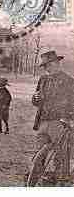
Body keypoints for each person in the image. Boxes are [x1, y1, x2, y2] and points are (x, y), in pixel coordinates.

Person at [28, 50, 74, 186]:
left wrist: (68, 118)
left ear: (56, 63)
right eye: (44, 66)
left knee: (61, 154)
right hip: (42, 122)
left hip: (59, 122)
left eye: (48, 65)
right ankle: (37, 181)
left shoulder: (69, 81)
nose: (46, 69)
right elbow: (36, 100)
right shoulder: (43, 79)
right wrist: (34, 99)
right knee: (39, 154)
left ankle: (61, 181)